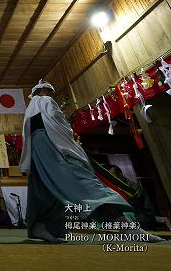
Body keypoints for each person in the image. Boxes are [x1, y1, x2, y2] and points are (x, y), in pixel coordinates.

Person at [19, 79, 164, 243]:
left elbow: (36, 128)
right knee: (83, 182)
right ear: (44, 91)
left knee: (43, 187)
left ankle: (40, 226)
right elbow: (57, 123)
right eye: (51, 92)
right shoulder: (45, 100)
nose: (52, 95)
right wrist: (71, 145)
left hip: (38, 147)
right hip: (53, 144)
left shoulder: (31, 108)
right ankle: (125, 226)